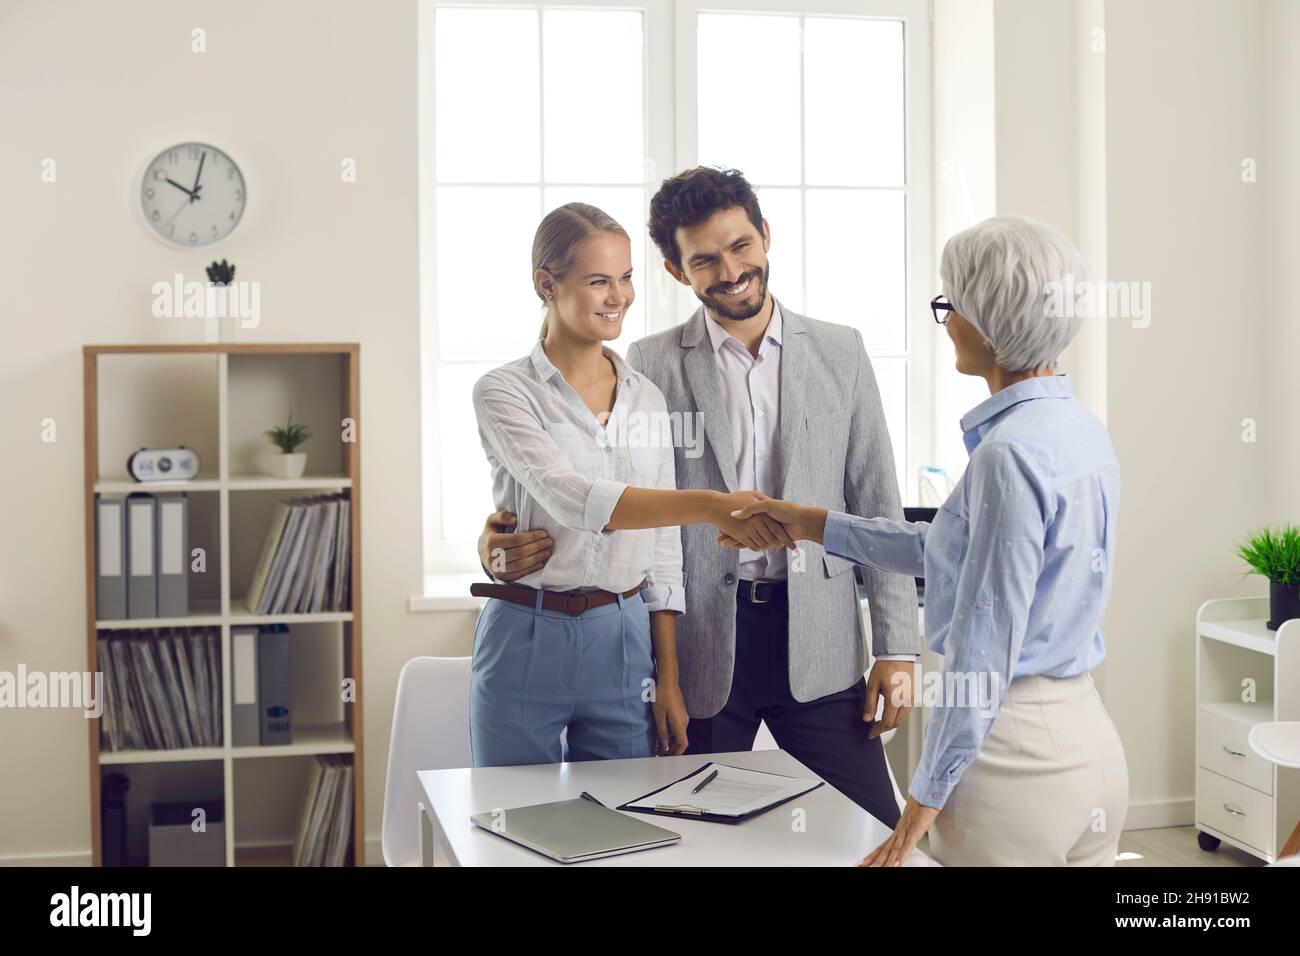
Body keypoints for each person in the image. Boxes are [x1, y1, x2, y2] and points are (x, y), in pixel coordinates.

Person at [478, 169, 920, 827]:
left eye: (742, 246)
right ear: (677, 270)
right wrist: (492, 542)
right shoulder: (647, 366)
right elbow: (590, 493)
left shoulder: (841, 351)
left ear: (766, 236)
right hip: (702, 643)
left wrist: (897, 647)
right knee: (684, 836)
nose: (732, 269)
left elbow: (878, 503)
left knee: (873, 830)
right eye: (706, 259)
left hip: (820, 640)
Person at [726, 216, 1129, 866]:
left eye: (950, 305)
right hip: (1090, 744)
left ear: (989, 319)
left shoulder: (1007, 457)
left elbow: (982, 650)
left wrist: (922, 799)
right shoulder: (1078, 428)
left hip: (1012, 759)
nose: (944, 323)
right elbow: (940, 547)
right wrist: (806, 522)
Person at [469, 201, 792, 767]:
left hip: (623, 638)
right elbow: (568, 495)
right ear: (547, 284)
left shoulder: (646, 395)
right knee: (513, 825)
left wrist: (668, 677)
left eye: (625, 278)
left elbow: (663, 554)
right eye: (598, 281)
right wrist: (713, 506)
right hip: (526, 631)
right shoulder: (503, 392)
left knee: (627, 825)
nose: (618, 296)